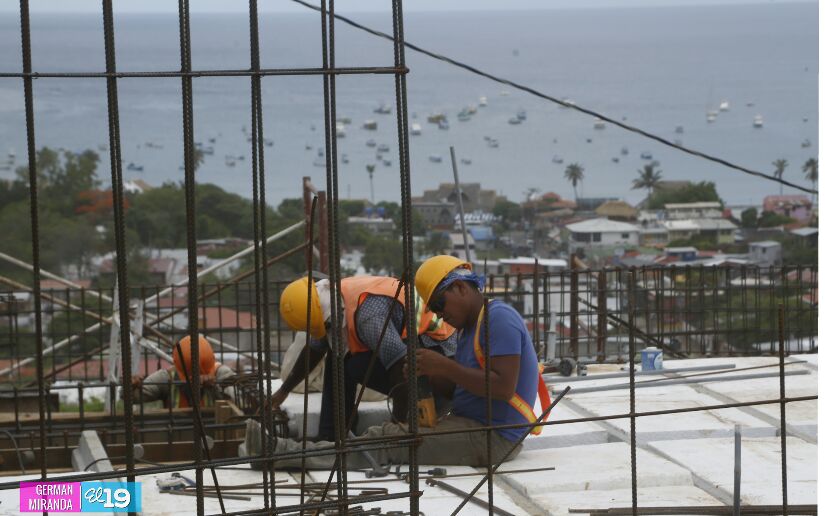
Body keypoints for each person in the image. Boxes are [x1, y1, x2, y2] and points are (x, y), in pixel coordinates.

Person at [246, 256, 550, 469]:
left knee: (389, 442)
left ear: (461, 287)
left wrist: (441, 369)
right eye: (434, 309)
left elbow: (502, 387)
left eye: (439, 306)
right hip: (471, 422)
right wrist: (430, 373)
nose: (440, 315)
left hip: (493, 437)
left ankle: (280, 454)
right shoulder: (470, 328)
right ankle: (304, 447)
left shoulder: (499, 318)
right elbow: (460, 385)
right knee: (387, 436)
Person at [271, 275, 456, 441]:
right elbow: (315, 350)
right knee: (339, 358)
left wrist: (397, 426)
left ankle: (403, 425)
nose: (326, 331)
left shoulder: (368, 316)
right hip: (414, 348)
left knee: (350, 364)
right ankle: (332, 434)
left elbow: (401, 365)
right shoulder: (331, 299)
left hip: (441, 363)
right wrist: (283, 391)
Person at [124, 334, 236, 408]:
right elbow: (132, 397)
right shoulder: (167, 378)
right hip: (178, 434)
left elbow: (239, 403)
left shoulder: (222, 374)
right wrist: (131, 386)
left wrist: (214, 388)